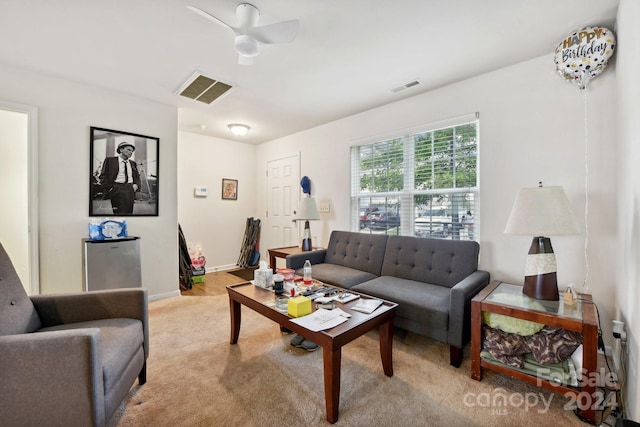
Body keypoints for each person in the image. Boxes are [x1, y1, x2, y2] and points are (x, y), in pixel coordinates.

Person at [99, 141, 141, 215]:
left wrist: (136, 185)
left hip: (130, 189)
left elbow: (137, 176)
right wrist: (110, 188)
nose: (131, 152)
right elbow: (103, 176)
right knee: (118, 213)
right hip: (116, 188)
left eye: (132, 151)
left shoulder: (132, 163)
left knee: (129, 212)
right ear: (121, 150)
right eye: (128, 150)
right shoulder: (110, 160)